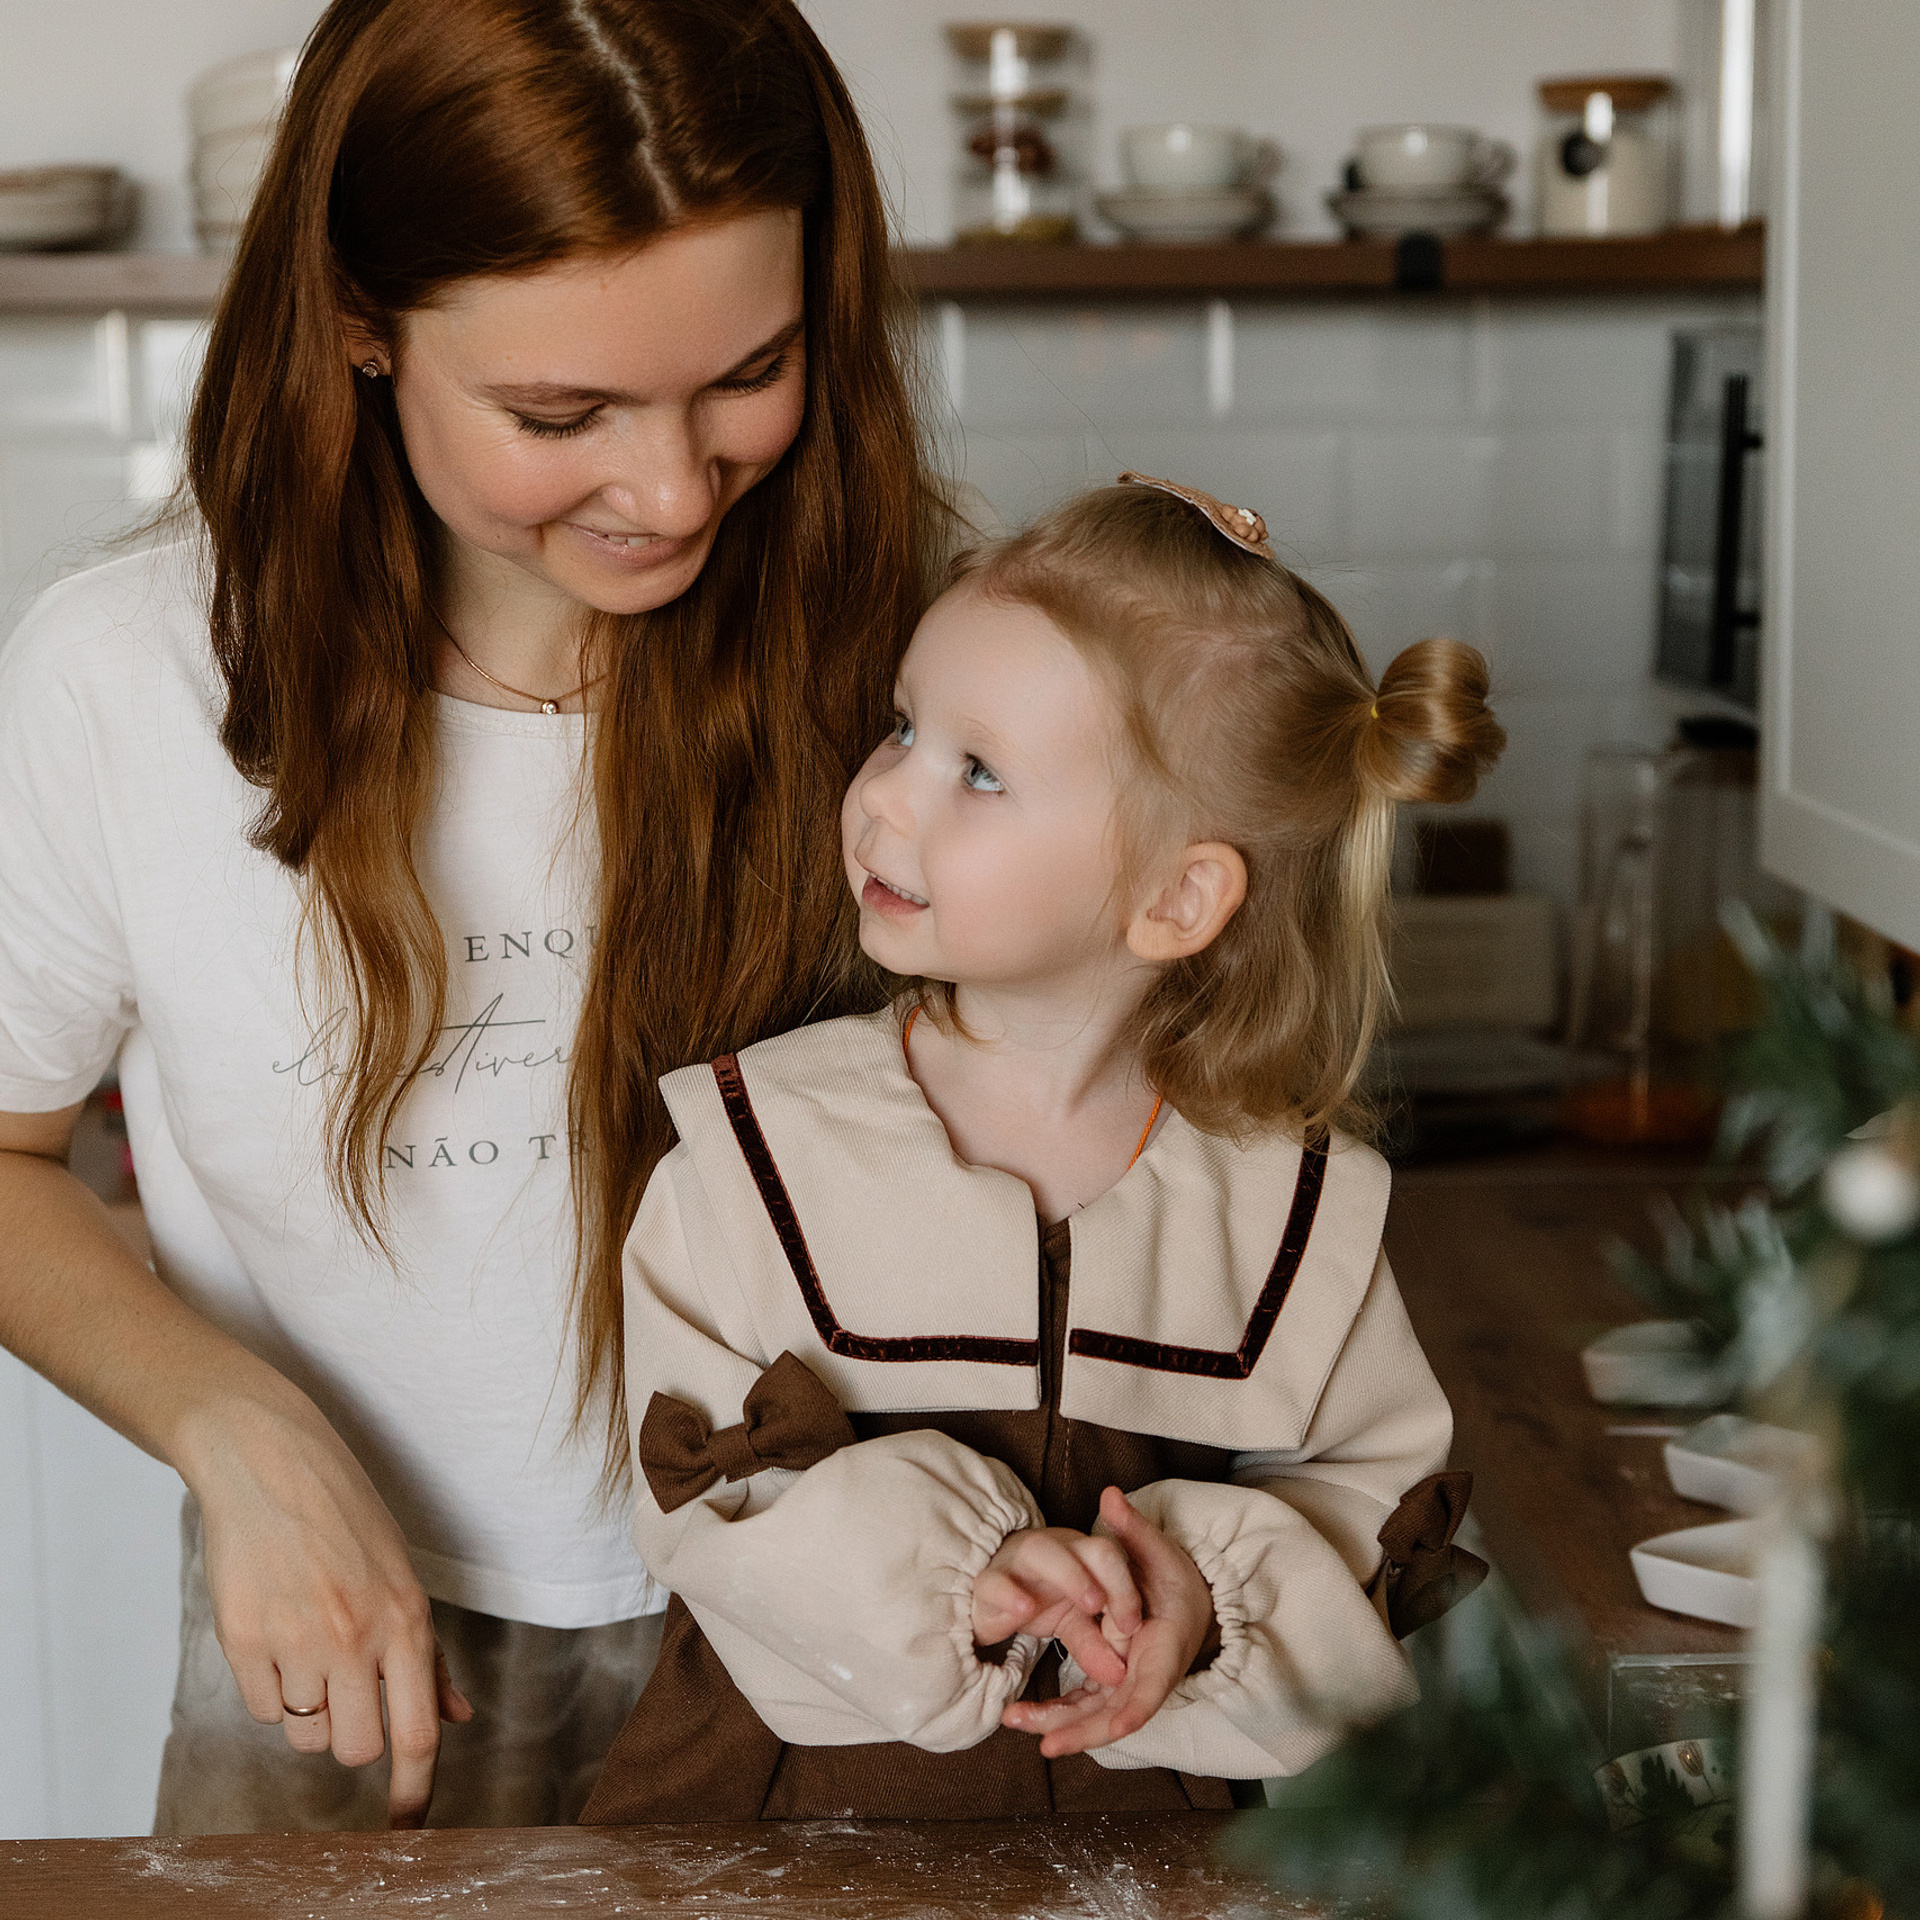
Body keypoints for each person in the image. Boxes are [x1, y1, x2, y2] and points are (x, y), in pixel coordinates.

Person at [0, 0, 944, 1833]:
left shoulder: (922, 657)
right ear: (357, 323)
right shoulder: (123, 678)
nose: (672, 490)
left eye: (747, 372)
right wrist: (237, 1430)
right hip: (355, 1653)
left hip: (861, 1629)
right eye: (559, 413)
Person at [582, 473, 1507, 1823]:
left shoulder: (1287, 1206)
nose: (885, 798)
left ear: (1176, 896)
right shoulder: (756, 1150)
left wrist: (1199, 1592)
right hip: (779, 1834)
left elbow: (1375, 1501)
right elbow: (702, 1504)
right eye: (903, 728)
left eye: (978, 771)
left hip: (1152, 1843)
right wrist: (962, 1579)